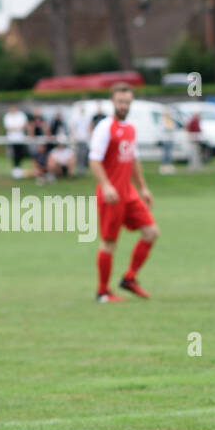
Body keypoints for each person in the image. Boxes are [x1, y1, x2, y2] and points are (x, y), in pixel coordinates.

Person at [90, 83, 160, 303]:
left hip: (129, 194)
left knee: (151, 232)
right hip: (111, 195)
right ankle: (102, 292)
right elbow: (94, 160)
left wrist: (144, 188)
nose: (124, 106)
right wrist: (106, 185)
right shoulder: (104, 127)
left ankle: (129, 278)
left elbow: (134, 160)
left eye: (127, 102)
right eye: (120, 102)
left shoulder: (130, 128)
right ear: (112, 101)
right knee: (109, 243)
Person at [3, 103, 29, 179]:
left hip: (20, 138)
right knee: (13, 155)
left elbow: (24, 126)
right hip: (11, 139)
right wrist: (17, 128)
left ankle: (18, 169)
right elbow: (8, 127)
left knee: (21, 154)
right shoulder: (7, 116)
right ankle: (16, 170)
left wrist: (16, 128)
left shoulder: (21, 115)